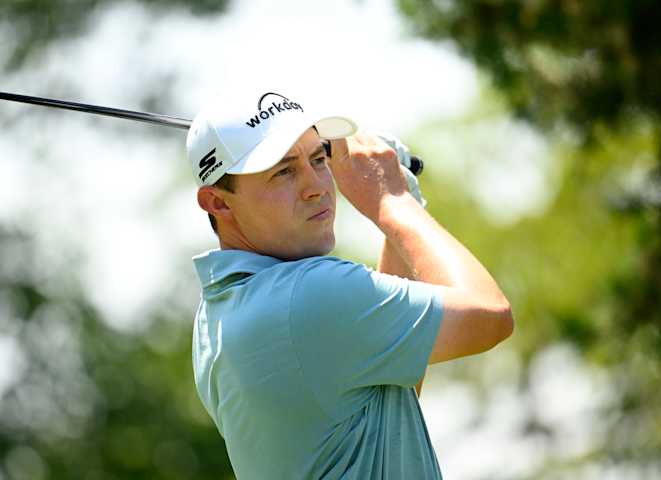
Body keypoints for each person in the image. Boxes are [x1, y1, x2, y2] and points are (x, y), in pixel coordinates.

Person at [186, 91, 514, 479]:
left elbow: (384, 394)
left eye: (319, 158)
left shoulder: (217, 317)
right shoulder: (306, 295)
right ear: (218, 203)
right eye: (284, 171)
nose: (318, 187)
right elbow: (490, 315)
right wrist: (391, 202)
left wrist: (400, 210)